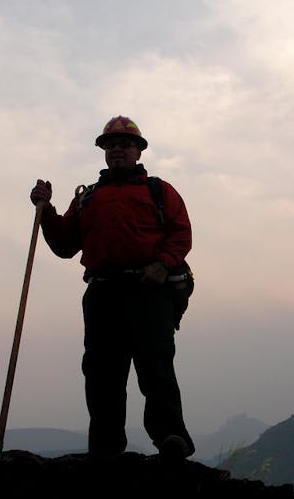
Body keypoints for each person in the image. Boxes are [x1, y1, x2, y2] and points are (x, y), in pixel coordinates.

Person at [29, 115, 195, 460]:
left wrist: (163, 264)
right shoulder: (88, 198)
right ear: (104, 152)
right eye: (110, 145)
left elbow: (181, 233)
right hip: (103, 292)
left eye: (124, 144)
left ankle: (170, 439)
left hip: (149, 290)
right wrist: (46, 211)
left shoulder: (159, 191)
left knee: (156, 367)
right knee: (102, 372)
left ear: (138, 150)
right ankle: (105, 447)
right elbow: (64, 245)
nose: (117, 150)